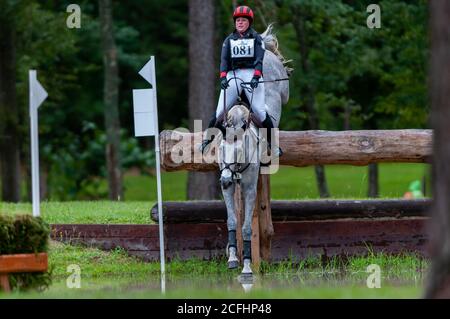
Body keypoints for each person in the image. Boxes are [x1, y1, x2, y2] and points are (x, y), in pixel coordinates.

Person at [200, 5, 282, 157]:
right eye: (238, 20)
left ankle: (273, 144)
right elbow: (224, 60)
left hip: (251, 74)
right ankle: (207, 140)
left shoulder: (256, 39)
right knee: (219, 112)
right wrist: (223, 77)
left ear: (249, 22)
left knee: (260, 111)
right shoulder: (229, 40)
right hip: (233, 75)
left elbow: (259, 58)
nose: (240, 22)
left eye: (243, 20)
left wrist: (257, 75)